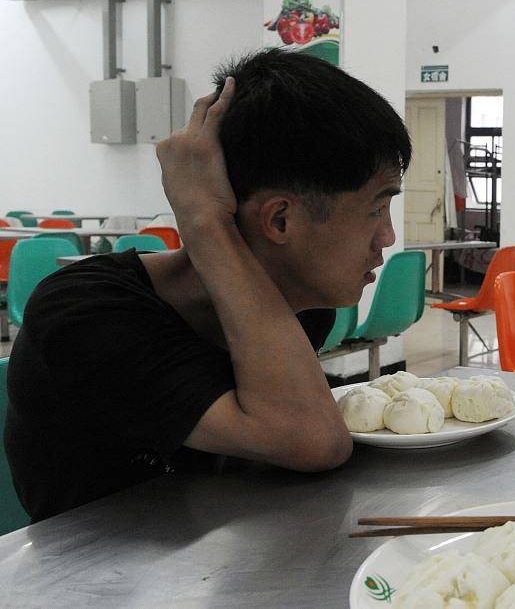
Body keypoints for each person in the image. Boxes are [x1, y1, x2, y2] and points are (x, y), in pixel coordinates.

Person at [5, 49, 411, 521]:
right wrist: (203, 221)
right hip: (89, 582)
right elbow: (311, 439)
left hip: (218, 555)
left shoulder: (302, 305)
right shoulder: (85, 311)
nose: (388, 236)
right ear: (280, 219)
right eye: (376, 209)